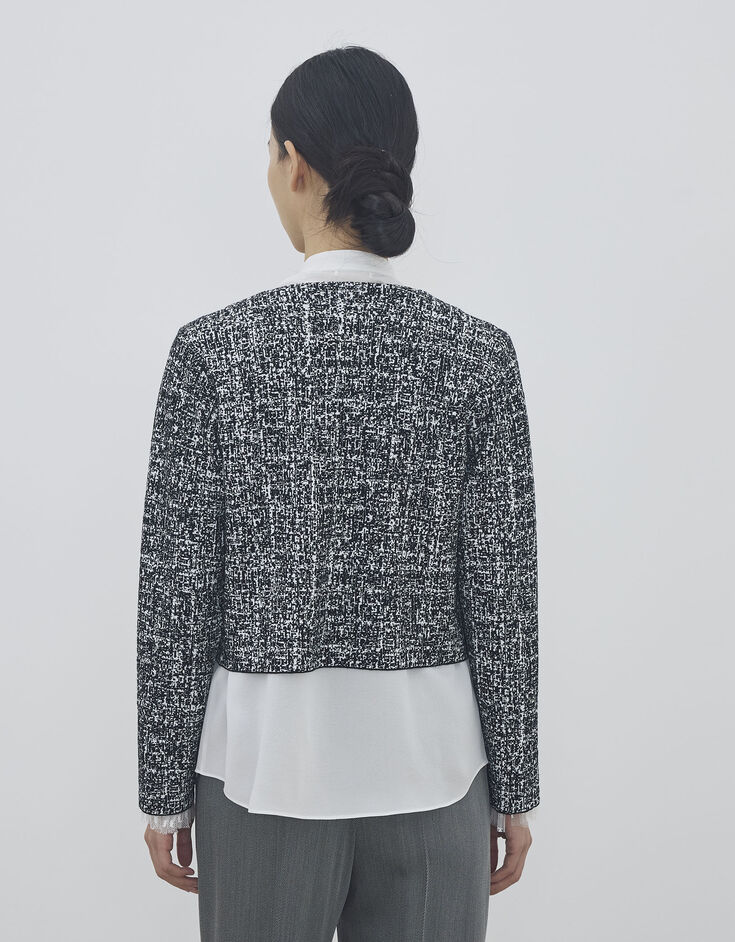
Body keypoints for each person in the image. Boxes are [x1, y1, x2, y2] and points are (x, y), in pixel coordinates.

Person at [136, 44, 539, 942]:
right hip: (437, 770)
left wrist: (163, 789)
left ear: (294, 162)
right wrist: (516, 784)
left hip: (262, 771)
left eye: (268, 153)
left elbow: (177, 589)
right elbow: (501, 590)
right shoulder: (476, 356)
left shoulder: (215, 354)